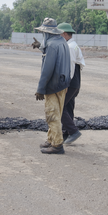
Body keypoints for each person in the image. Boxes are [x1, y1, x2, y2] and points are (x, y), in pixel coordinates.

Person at [34, 17, 71, 154]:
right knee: (57, 113)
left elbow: (47, 70)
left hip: (53, 85)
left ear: (47, 33)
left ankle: (57, 145)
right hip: (63, 84)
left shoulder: (52, 46)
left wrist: (40, 89)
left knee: (51, 114)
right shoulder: (62, 42)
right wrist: (40, 46)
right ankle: (51, 139)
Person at [57, 22, 85, 145]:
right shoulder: (72, 45)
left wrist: (66, 83)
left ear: (64, 34)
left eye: (59, 34)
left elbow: (71, 66)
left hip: (71, 80)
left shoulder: (69, 47)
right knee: (68, 107)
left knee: (60, 107)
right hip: (75, 81)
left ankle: (73, 131)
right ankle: (66, 134)